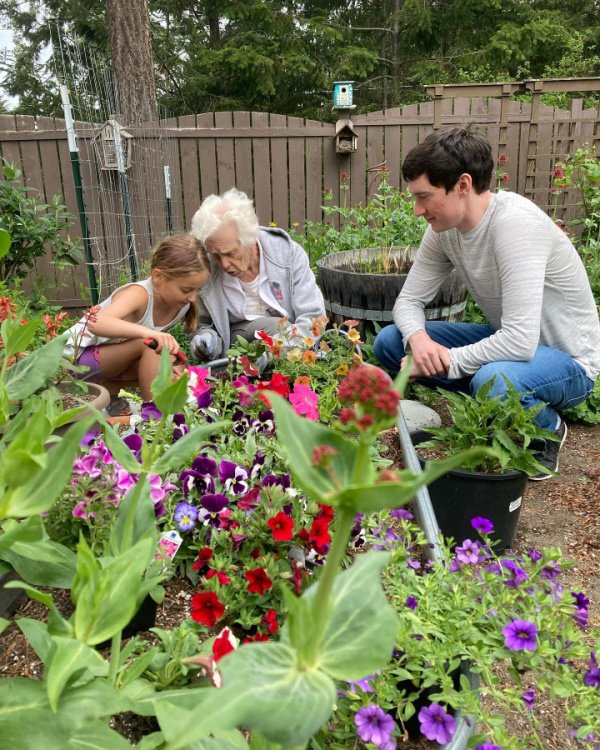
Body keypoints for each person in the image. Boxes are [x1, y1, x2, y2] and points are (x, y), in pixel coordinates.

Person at [374, 127, 600, 479]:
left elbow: (520, 340)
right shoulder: (443, 231)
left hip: (569, 363)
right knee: (391, 341)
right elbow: (408, 302)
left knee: (494, 381)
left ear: (462, 185)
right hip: (512, 349)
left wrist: (446, 361)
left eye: (424, 197)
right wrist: (418, 342)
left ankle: (548, 427)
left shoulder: (515, 225)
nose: (418, 210)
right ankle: (492, 393)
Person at [64, 233, 210, 402]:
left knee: (166, 359)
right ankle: (154, 418)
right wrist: (148, 334)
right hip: (73, 359)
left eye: (197, 290)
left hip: (106, 363)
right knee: (150, 344)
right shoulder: (140, 294)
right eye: (186, 290)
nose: (193, 298)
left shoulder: (181, 306)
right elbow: (95, 322)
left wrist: (174, 366)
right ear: (158, 277)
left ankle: (108, 395)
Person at [188, 188, 325, 361]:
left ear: (250, 239)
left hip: (291, 341)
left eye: (230, 253)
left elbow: (314, 320)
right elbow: (201, 325)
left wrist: (269, 353)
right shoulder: (206, 267)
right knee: (273, 326)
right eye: (215, 255)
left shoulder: (288, 254)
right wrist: (207, 341)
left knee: (276, 327)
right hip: (235, 343)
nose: (223, 264)